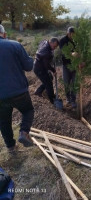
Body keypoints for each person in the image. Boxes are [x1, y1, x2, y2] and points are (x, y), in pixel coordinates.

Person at [0, 24, 34, 152]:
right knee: (28, 111)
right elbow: (28, 66)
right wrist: (30, 58)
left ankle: (10, 147)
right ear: (4, 34)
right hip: (18, 90)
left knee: (3, 121)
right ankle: (23, 133)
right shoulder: (14, 45)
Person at [33, 37, 59, 104]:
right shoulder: (47, 53)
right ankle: (52, 100)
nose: (54, 48)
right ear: (50, 42)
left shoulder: (45, 42)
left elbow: (41, 42)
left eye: (56, 47)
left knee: (50, 78)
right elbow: (46, 65)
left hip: (37, 65)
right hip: (40, 69)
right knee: (49, 84)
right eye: (54, 46)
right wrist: (53, 70)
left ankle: (39, 91)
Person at [59, 27, 77, 108]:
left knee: (74, 83)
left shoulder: (76, 41)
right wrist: (72, 54)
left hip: (75, 66)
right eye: (70, 34)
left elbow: (80, 51)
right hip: (66, 65)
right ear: (67, 33)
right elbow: (63, 51)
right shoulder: (62, 40)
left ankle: (73, 100)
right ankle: (68, 98)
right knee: (66, 82)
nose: (71, 36)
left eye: (73, 34)